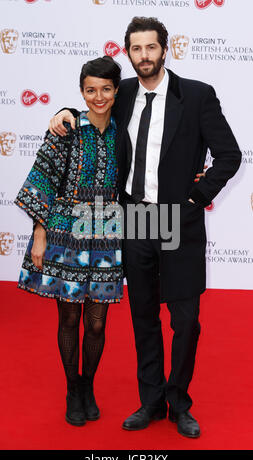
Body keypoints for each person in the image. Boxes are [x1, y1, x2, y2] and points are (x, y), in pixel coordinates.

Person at [48, 17, 242, 438]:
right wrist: (65, 111)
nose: (144, 56)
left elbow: (229, 155)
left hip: (176, 217)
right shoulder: (124, 94)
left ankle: (179, 403)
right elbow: (93, 109)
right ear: (129, 53)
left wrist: (197, 197)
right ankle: (151, 401)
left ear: (164, 49)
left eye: (151, 48)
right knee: (143, 316)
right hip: (134, 216)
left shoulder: (196, 95)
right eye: (136, 50)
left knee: (185, 319)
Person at [14, 56, 123, 427]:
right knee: (70, 317)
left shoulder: (124, 130)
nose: (98, 96)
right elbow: (42, 179)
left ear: (116, 91)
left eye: (106, 89)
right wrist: (39, 236)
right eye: (90, 89)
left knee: (97, 323)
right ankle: (72, 389)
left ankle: (88, 384)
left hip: (107, 230)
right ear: (81, 91)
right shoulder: (66, 127)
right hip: (65, 230)